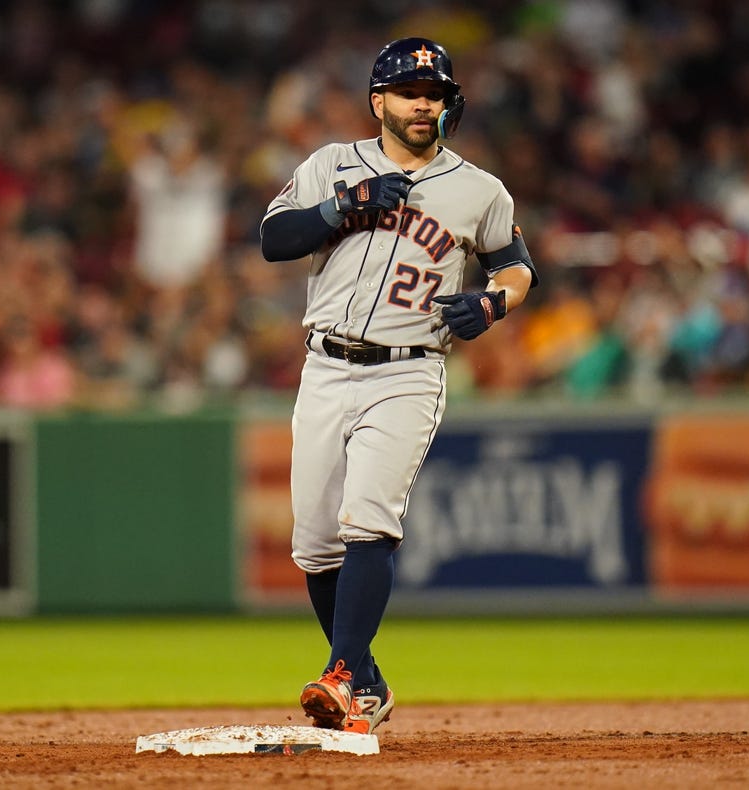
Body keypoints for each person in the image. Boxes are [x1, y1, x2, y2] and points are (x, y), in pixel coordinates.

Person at [260, 37, 537, 734]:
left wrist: (494, 303)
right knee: (315, 545)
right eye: (411, 91)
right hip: (324, 365)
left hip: (410, 369)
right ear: (378, 100)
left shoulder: (479, 189)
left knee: (368, 520)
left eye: (435, 93)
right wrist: (341, 207)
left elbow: (517, 264)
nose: (424, 103)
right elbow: (273, 238)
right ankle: (369, 681)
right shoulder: (332, 164)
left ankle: (344, 675)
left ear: (450, 105)